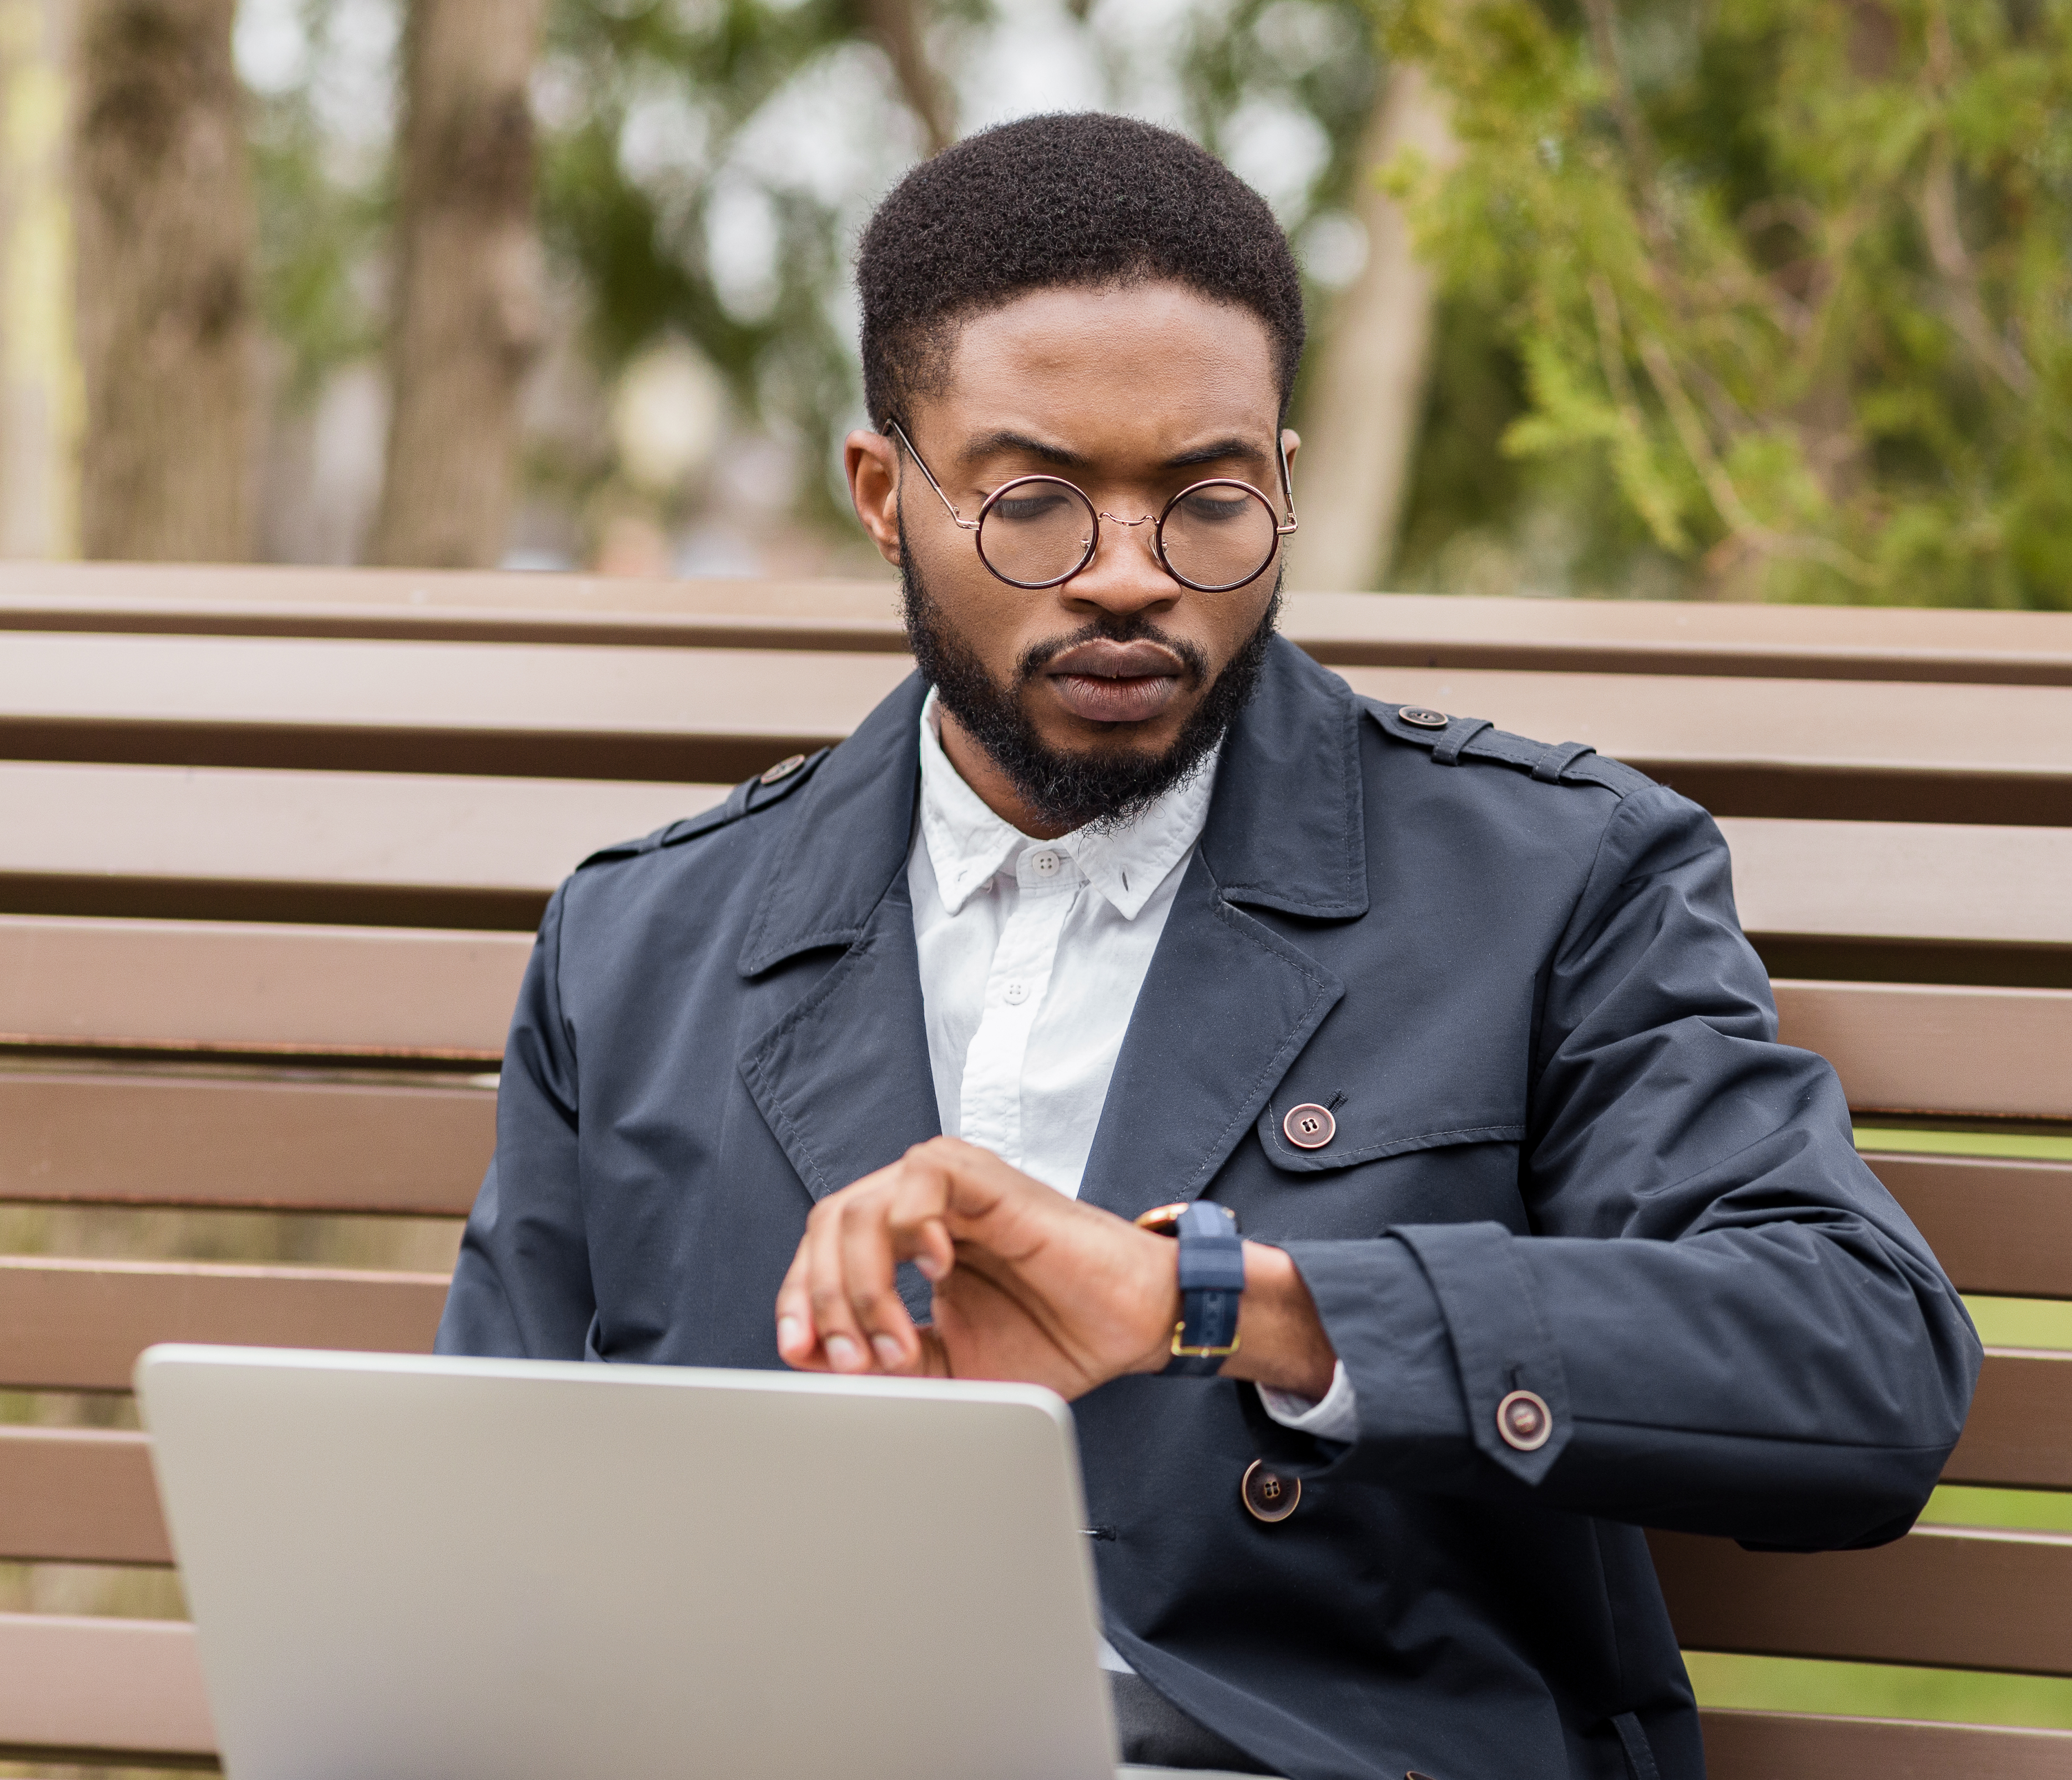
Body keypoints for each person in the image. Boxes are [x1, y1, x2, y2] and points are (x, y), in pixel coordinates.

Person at [438, 111, 1979, 1780]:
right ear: (886, 496)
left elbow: (1859, 1365)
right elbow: (484, 1519)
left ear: (1285, 487)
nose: (1124, 580)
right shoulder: (643, 941)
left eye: (1207, 503)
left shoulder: (1551, 880)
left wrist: (1236, 1304)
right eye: (1033, 503)